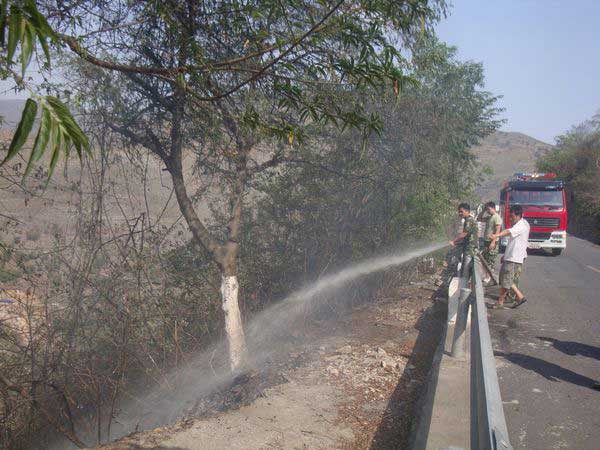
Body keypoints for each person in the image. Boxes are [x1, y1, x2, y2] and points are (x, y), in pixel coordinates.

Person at [490, 205, 530, 309]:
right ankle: (518, 297)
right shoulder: (524, 223)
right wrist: (505, 255)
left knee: (506, 281)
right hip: (511, 256)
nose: (511, 218)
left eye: (512, 216)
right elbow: (515, 242)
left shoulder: (521, 225)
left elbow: (508, 232)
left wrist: (496, 236)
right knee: (507, 280)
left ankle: (502, 301)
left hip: (513, 258)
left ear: (519, 215)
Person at [449, 203, 479, 277]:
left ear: (467, 211)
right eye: (459, 211)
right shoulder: (469, 219)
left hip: (470, 248)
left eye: (461, 211)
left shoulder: (469, 220)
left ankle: (464, 283)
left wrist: (454, 241)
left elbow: (464, 234)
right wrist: (457, 243)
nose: (460, 213)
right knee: (465, 267)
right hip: (470, 247)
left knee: (465, 268)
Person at [477, 201, 502, 282]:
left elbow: (498, 231)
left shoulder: (496, 217)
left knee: (489, 261)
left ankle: (488, 277)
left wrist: (493, 242)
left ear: (493, 208)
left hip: (492, 242)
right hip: (486, 241)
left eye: (488, 209)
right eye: (486, 209)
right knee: (484, 259)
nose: (487, 211)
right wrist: (483, 210)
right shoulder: (489, 217)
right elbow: (479, 218)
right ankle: (487, 276)